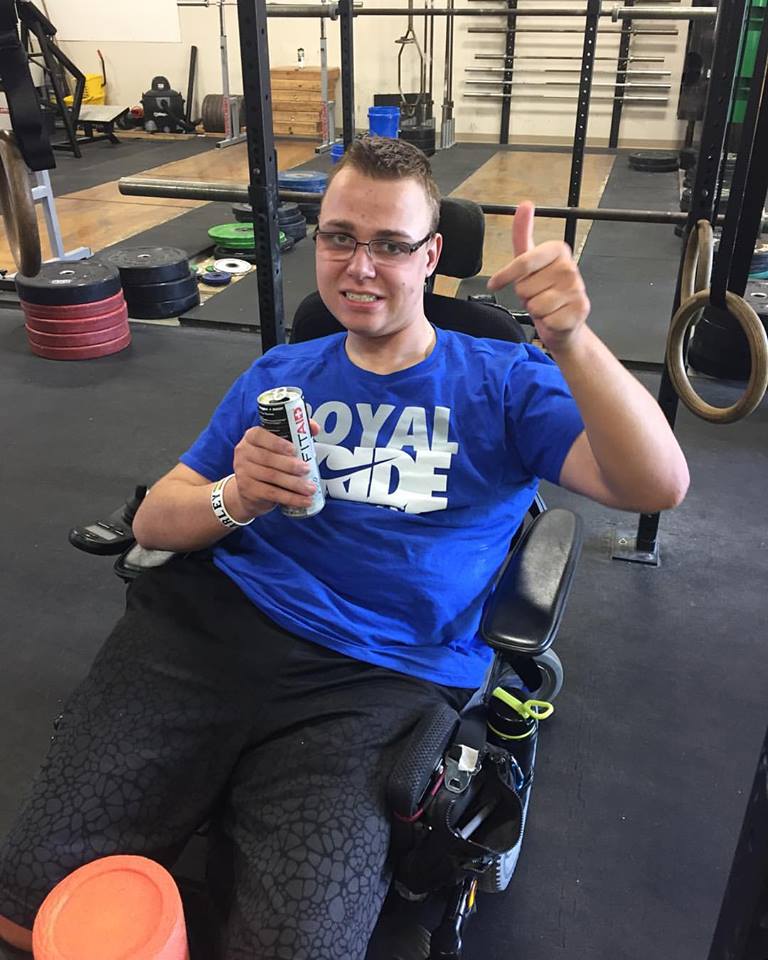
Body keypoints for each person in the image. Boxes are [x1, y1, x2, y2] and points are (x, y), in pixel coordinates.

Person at [0, 137, 689, 959]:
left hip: (377, 680)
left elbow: (658, 485)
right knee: (31, 902)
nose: (361, 267)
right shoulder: (282, 372)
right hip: (213, 633)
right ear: (317, 240)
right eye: (339, 238)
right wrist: (237, 498)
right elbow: (156, 521)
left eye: (392, 245)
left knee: (301, 948)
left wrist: (572, 336)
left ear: (431, 256)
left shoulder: (504, 379)